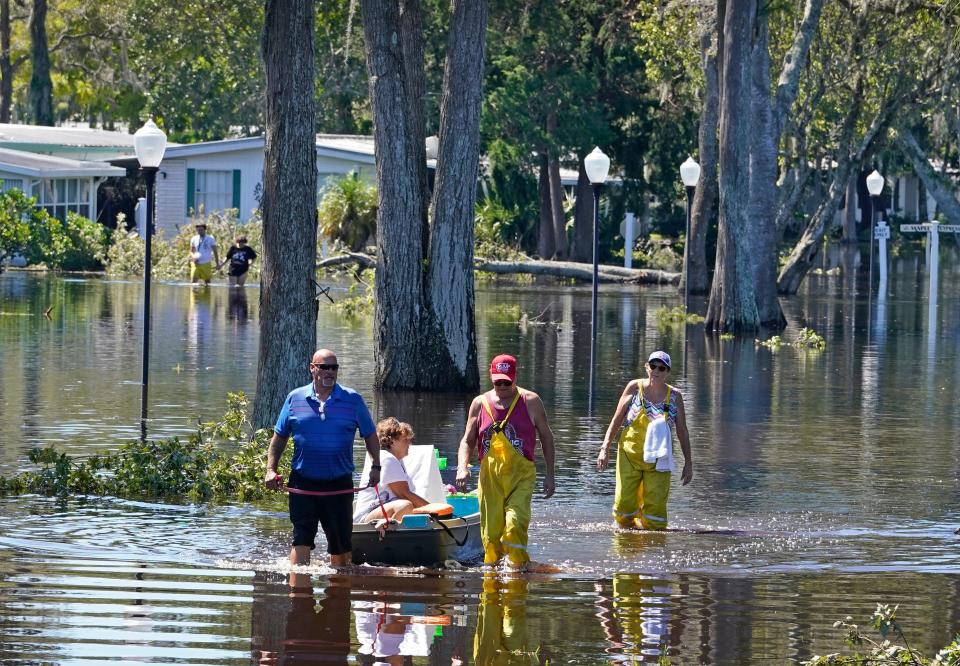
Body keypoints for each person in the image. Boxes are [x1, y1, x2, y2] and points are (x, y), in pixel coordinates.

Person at [264, 348, 381, 567]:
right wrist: (271, 469)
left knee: (340, 547)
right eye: (324, 367)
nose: (329, 372)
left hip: (339, 484)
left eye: (334, 367)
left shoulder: (352, 399)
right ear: (312, 369)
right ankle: (299, 597)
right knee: (301, 539)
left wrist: (376, 466)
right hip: (303, 482)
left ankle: (337, 594)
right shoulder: (295, 398)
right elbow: (279, 437)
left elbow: (370, 435)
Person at [455, 354, 556, 569]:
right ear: (491, 377)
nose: (502, 386)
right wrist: (462, 468)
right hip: (490, 477)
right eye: (497, 381)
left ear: (515, 377)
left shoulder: (530, 401)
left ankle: (517, 574)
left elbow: (547, 437)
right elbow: (467, 440)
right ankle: (492, 578)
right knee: (491, 537)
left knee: (514, 526)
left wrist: (550, 474)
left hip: (521, 476)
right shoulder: (479, 403)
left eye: (506, 382)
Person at [596, 350, 692, 530]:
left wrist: (688, 463)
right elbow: (617, 419)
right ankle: (626, 544)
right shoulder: (634, 387)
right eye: (653, 366)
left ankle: (652, 545)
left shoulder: (676, 397)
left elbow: (683, 431)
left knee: (655, 513)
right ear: (647, 367)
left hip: (659, 461)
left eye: (662, 368)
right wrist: (605, 447)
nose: (656, 371)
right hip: (630, 456)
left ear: (668, 372)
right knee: (623, 507)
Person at [353, 417, 430, 523]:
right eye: (405, 440)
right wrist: (432, 510)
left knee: (408, 506)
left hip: (380, 511)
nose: (409, 444)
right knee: (405, 505)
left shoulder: (397, 460)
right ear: (392, 441)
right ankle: (387, 534)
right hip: (365, 518)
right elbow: (404, 494)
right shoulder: (387, 459)